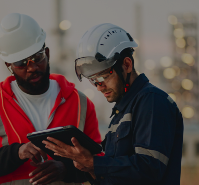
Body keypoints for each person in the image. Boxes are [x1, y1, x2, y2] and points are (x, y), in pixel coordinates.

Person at [0, 13, 102, 185]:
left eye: (37, 58)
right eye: (21, 63)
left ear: (47, 53)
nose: (32, 68)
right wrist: (16, 153)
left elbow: (100, 164)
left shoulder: (80, 103)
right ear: (9, 66)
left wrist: (66, 170)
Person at [43, 23, 184, 184]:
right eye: (93, 80)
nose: (98, 86)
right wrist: (76, 166)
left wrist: (92, 162)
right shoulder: (121, 111)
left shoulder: (151, 101)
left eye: (103, 77)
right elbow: (116, 176)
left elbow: (149, 170)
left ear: (127, 65)